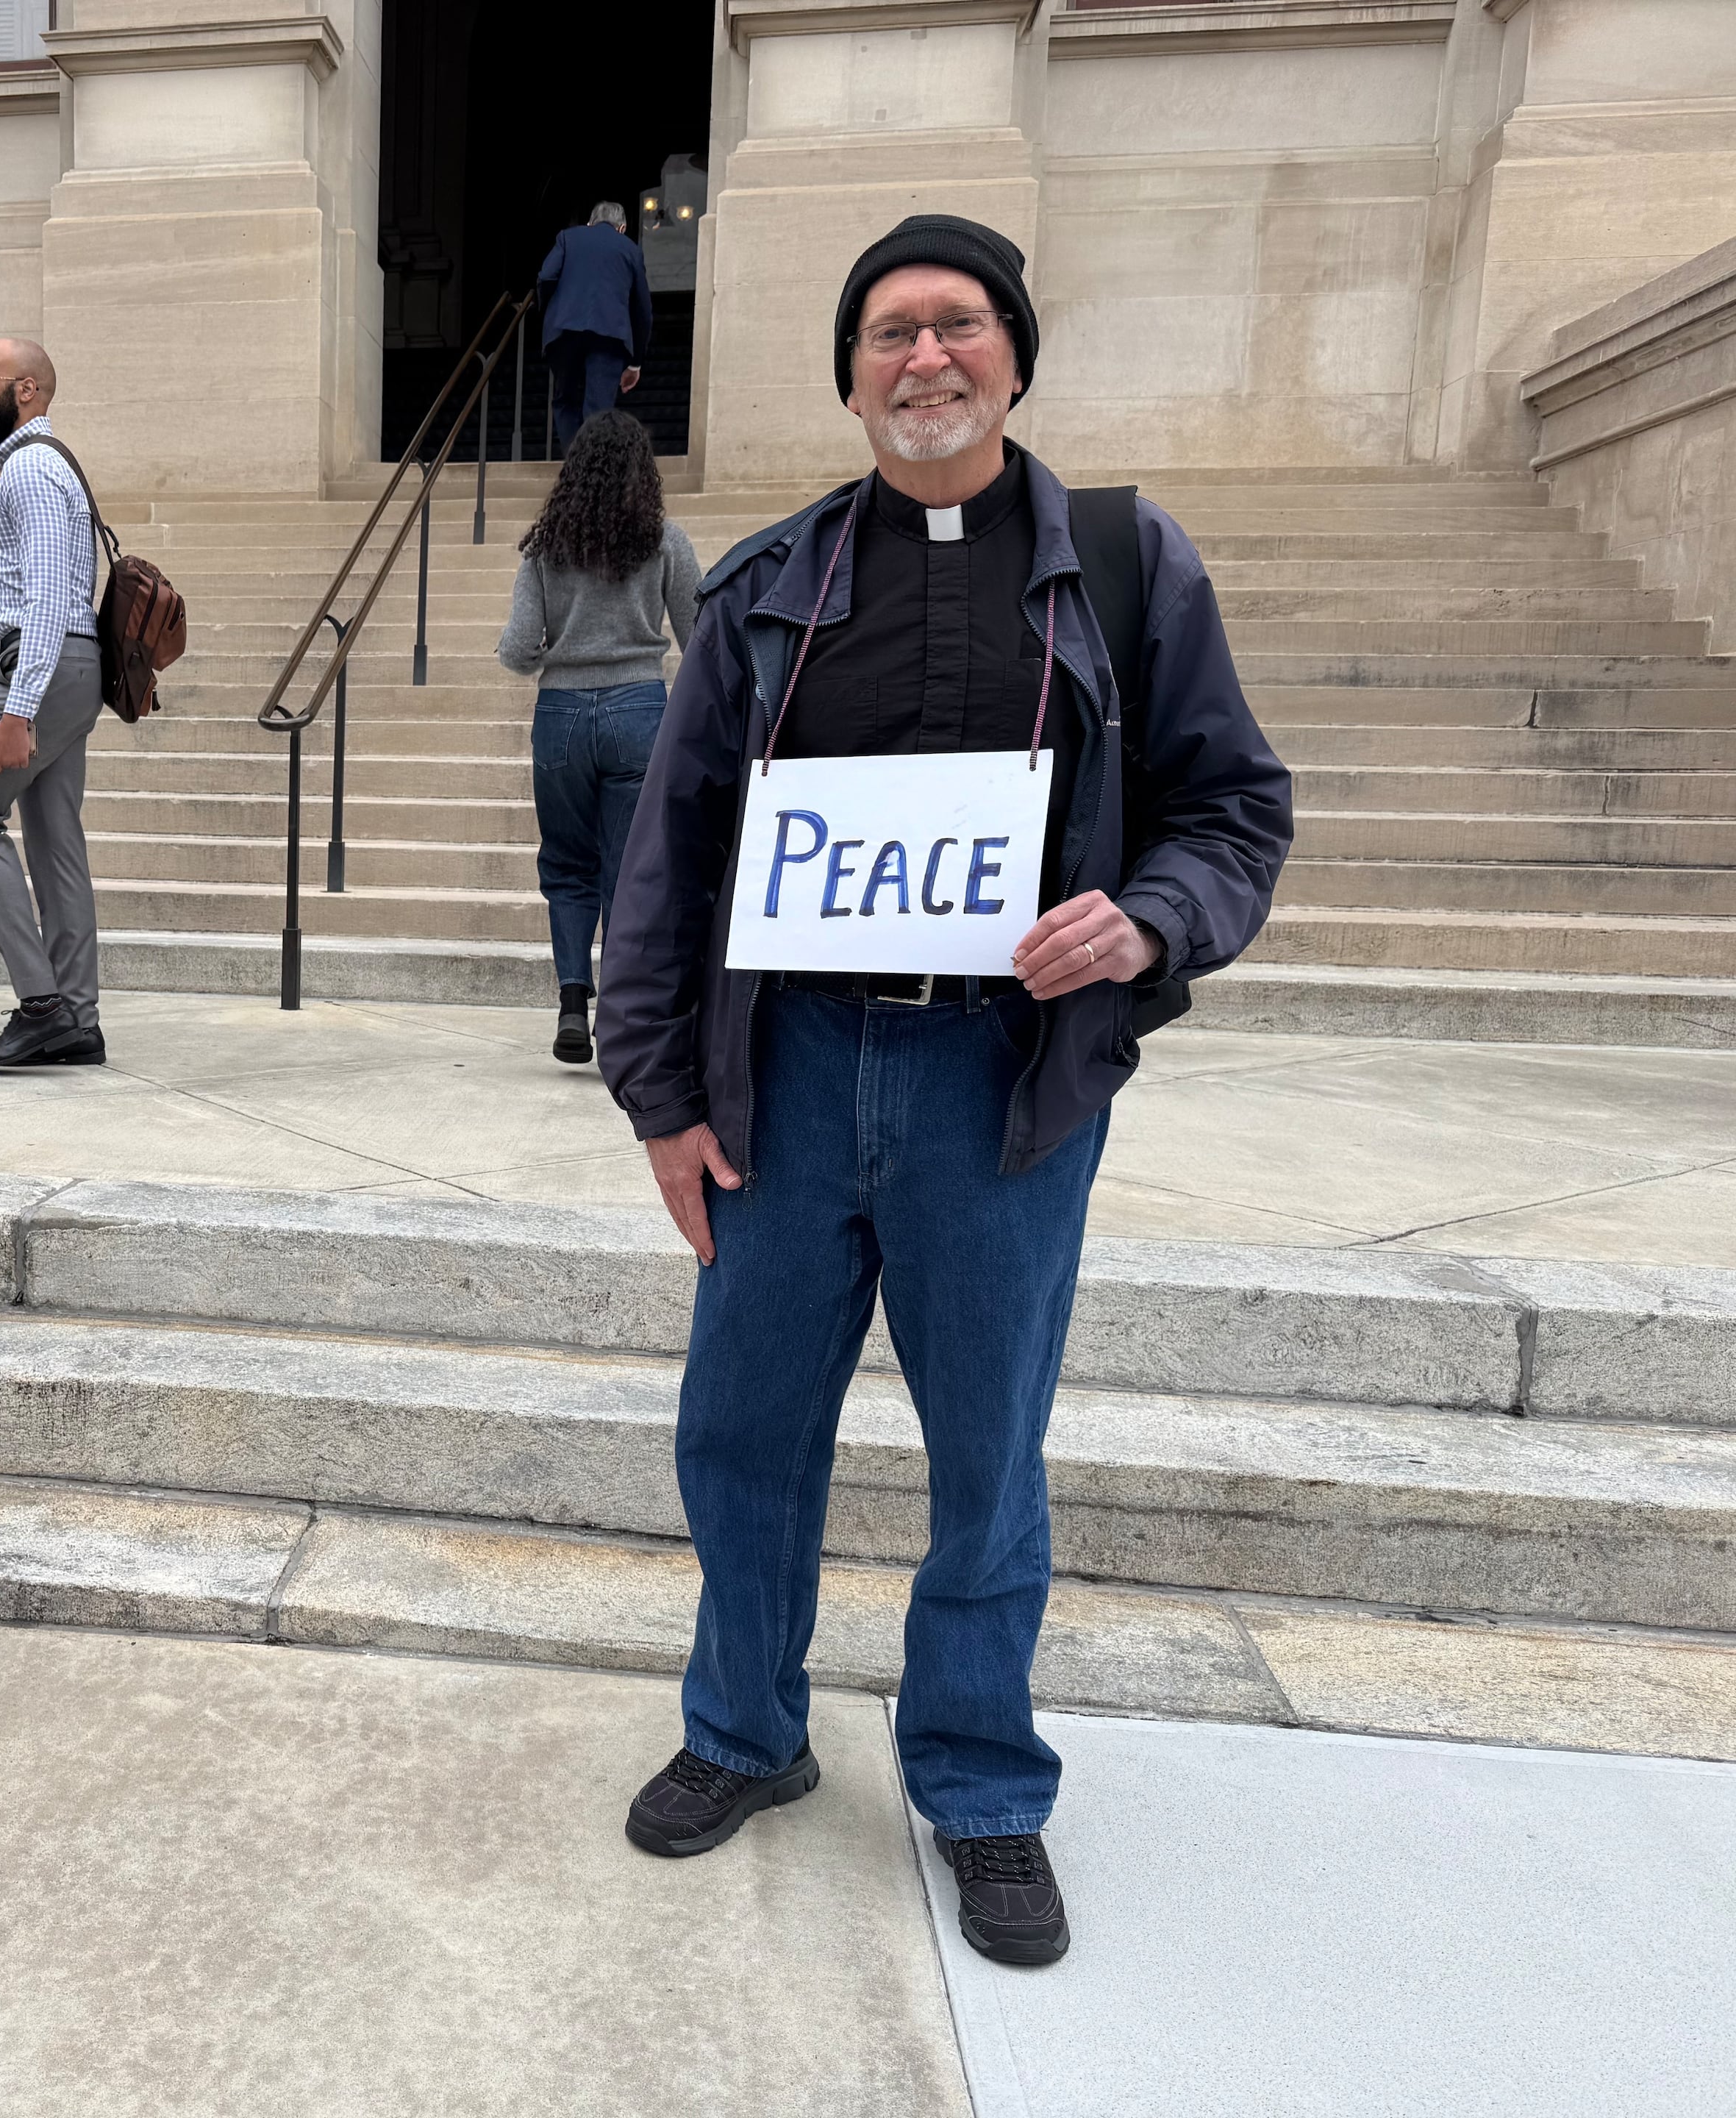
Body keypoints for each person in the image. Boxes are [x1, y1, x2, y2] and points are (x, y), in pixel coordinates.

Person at [598, 216, 1293, 1965]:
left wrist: (1142, 922)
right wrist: (659, 1097)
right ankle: (743, 1730)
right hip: (790, 1072)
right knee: (740, 1432)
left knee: (987, 1452)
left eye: (955, 326)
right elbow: (667, 862)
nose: (924, 358)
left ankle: (981, 1785)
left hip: (996, 1089)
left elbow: (1232, 810)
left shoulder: (1127, 571)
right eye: (889, 333)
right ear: (847, 377)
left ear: (1011, 353)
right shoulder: (762, 586)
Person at [497, 410, 701, 1066]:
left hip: (560, 715)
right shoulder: (666, 540)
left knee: (565, 865)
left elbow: (516, 650)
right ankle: (618, 1017)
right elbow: (701, 638)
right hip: (639, 710)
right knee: (628, 870)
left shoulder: (546, 549)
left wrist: (554, 655)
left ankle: (569, 1005)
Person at [0, 336, 107, 1071]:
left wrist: (17, 711)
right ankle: (75, 1015)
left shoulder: (33, 470)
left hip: (38, 666)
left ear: (29, 390)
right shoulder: (43, 464)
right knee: (53, 837)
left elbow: (44, 599)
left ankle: (42, 1009)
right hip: (68, 666)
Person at [536, 204, 651, 452]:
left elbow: (546, 277)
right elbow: (643, 310)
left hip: (564, 331)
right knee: (598, 409)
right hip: (609, 335)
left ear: (590, 222)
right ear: (622, 228)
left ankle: (573, 460)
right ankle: (591, 469)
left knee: (564, 399)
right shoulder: (631, 250)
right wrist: (635, 363)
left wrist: (552, 311)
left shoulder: (567, 238)